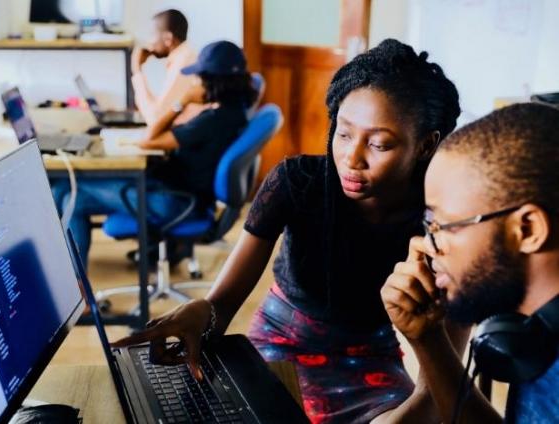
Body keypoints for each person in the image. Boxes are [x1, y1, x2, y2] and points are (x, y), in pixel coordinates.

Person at [112, 39, 462, 423]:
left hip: (370, 360)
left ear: (426, 145)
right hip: (279, 342)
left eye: (379, 144)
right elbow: (222, 305)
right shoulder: (297, 183)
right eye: (343, 134)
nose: (352, 158)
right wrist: (203, 313)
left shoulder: (445, 223)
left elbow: (438, 387)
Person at [380, 103, 559, 423]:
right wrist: (428, 338)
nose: (427, 246)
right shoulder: (534, 330)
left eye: (443, 226)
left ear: (528, 229)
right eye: (427, 224)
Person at [56, 41, 257, 271]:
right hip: (182, 195)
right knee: (64, 190)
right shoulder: (234, 111)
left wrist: (181, 102)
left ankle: (75, 287)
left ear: (212, 81)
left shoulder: (212, 121)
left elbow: (149, 139)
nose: (194, 82)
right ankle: (72, 281)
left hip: (173, 202)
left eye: (198, 77)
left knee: (71, 195)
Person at [131, 9, 202, 126]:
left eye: (152, 35)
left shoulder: (183, 64)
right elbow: (158, 109)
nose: (149, 42)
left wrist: (137, 70)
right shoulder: (183, 57)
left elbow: (156, 119)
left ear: (168, 39)